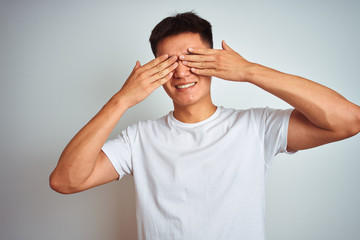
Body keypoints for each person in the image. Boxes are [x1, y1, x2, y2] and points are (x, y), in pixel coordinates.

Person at [50, 12, 360, 240]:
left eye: (192, 58)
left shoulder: (256, 126)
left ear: (214, 60)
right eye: (169, 62)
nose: (182, 72)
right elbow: (65, 181)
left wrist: (250, 70)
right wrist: (122, 100)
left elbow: (348, 120)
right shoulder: (139, 139)